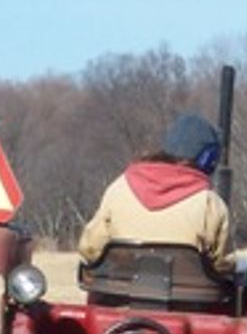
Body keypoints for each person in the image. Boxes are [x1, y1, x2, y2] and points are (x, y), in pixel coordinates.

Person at [78, 113, 233, 272]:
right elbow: (222, 266)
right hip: (186, 296)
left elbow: (89, 249)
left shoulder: (119, 188)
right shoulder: (210, 204)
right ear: (208, 159)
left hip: (122, 295)